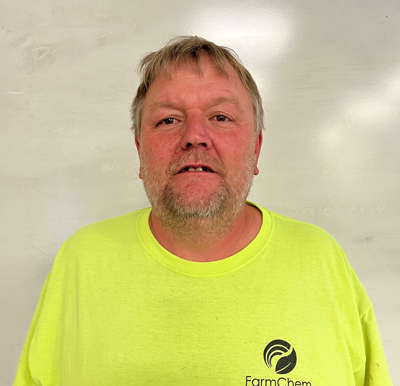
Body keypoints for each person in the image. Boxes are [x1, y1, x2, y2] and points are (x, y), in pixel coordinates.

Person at [13, 36, 392, 386]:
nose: (194, 136)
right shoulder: (82, 260)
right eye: (168, 120)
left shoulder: (321, 260)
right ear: (140, 150)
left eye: (221, 117)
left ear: (256, 148)